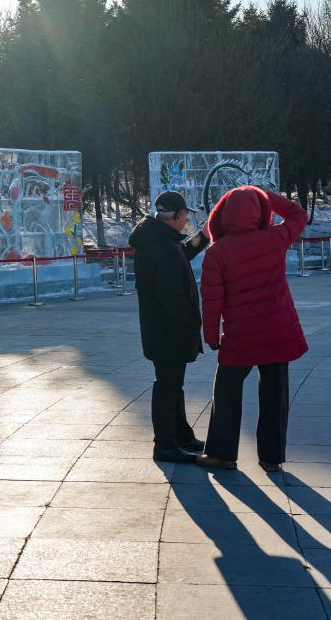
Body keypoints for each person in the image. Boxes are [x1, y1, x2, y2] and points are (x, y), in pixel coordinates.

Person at [196, 186, 308, 472]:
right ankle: (271, 458)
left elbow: (212, 301)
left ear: (223, 214)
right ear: (259, 212)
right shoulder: (275, 238)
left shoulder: (217, 252)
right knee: (275, 395)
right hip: (277, 331)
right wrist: (266, 196)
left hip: (240, 335)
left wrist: (211, 336)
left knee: (226, 391)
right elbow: (297, 214)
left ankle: (221, 454)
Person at [129, 191, 210, 464]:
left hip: (161, 329)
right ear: (176, 215)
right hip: (168, 330)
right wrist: (193, 318)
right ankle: (165, 445)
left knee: (173, 385)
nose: (186, 220)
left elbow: (181, 254)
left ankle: (181, 436)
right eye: (185, 215)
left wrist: (203, 237)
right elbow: (170, 293)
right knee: (167, 386)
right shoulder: (161, 245)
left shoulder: (158, 239)